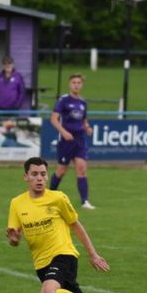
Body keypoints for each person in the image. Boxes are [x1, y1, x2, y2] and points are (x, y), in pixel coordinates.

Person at [6, 157, 142, 293]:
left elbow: (76, 225)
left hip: (64, 255)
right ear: (25, 177)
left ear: (47, 177)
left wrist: (92, 254)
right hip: (41, 264)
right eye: (34, 174)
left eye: (43, 174)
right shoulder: (17, 203)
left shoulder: (58, 198)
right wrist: (14, 240)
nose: (39, 178)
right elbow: (14, 237)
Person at [49, 73, 95, 209]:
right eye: (74, 82)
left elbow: (84, 120)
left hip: (79, 140)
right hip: (65, 141)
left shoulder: (83, 103)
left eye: (79, 83)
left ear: (82, 85)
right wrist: (63, 132)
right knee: (61, 170)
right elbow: (53, 119)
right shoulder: (63, 100)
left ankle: (85, 201)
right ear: (70, 84)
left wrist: (87, 128)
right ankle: (49, 196)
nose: (76, 85)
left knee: (81, 169)